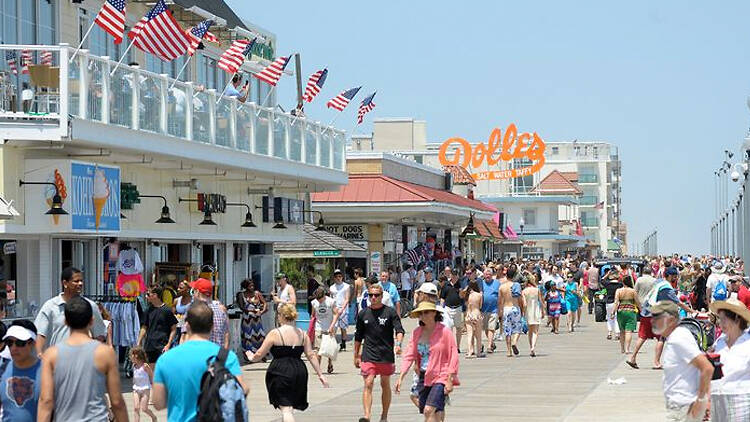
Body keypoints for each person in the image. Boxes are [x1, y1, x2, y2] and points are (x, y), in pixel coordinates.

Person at [153, 301, 248, 422]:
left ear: (187, 326)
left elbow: (158, 403)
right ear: (212, 326)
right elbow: (242, 389)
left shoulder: (166, 359)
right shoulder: (226, 357)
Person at [38, 297, 127, 422]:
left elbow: (46, 400)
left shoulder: (51, 355)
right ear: (92, 321)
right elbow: (117, 401)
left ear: (66, 322)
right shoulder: (105, 353)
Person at [246, 303, 328, 422]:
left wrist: (251, 357)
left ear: (282, 316)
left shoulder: (275, 333)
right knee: (289, 408)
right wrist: (321, 374)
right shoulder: (302, 334)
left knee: (286, 409)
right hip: (299, 371)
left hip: (280, 370)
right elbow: (310, 355)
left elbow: (259, 354)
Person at [396, 301, 459, 422]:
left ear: (434, 313)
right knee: (435, 413)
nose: (423, 315)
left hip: (441, 376)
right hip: (423, 376)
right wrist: (401, 377)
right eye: (421, 313)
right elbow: (409, 355)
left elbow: (453, 356)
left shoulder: (444, 331)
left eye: (427, 312)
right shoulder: (417, 332)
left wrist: (450, 379)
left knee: (428, 410)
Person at [650, 301, 713, 422]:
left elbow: (706, 367)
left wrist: (701, 401)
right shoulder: (674, 337)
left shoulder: (679, 338)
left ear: (671, 320)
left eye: (657, 317)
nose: (652, 321)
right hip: (679, 405)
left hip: (685, 406)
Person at [354, 284, 405, 422]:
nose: (373, 297)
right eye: (371, 295)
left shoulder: (390, 312)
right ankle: (367, 416)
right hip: (368, 353)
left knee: (384, 383)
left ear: (382, 296)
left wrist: (399, 344)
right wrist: (356, 355)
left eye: (376, 295)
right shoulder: (363, 313)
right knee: (368, 383)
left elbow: (399, 330)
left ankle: (384, 416)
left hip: (385, 354)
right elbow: (358, 336)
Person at [35, 267, 106, 354]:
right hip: (57, 360)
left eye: (81, 281)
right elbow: (40, 333)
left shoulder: (90, 306)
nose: (80, 284)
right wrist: (39, 354)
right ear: (65, 283)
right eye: (76, 281)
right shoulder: (51, 306)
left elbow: (99, 334)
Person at [708, 298, 750, 420]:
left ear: (737, 318)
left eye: (723, 319)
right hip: (718, 397)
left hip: (741, 399)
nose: (720, 324)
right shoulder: (719, 343)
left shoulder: (747, 343)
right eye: (719, 319)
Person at [0, 320, 41, 422]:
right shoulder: (2, 370)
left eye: (19, 343)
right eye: (9, 343)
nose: (13, 348)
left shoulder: (47, 371)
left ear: (31, 343)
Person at [137, 285, 178, 365]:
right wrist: (139, 342)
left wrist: (168, 344)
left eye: (148, 294)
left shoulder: (167, 311)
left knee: (161, 370)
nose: (146, 296)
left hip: (162, 346)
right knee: (150, 371)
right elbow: (144, 327)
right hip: (149, 346)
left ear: (155, 295)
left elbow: (173, 328)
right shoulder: (148, 310)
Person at [189, 278, 230, 348]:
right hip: (217, 355)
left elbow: (185, 337)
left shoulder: (193, 310)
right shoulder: (221, 310)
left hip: (199, 355)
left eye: (193, 291)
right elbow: (226, 334)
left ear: (197, 292)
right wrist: (223, 356)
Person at [311, 287, 340, 374]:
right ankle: (318, 368)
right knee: (317, 349)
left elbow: (336, 314)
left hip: (329, 328)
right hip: (318, 328)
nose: (319, 301)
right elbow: (313, 315)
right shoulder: (314, 303)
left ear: (324, 296)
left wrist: (332, 326)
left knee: (329, 348)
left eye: (320, 299)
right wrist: (311, 326)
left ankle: (330, 363)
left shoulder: (331, 301)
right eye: (318, 299)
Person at [236, 278, 267, 359]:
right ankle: (248, 356)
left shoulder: (257, 293)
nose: (252, 287)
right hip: (247, 319)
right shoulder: (241, 295)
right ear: (246, 286)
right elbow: (242, 307)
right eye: (250, 286)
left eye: (253, 285)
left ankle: (261, 355)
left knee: (260, 336)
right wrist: (252, 310)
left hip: (257, 319)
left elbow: (264, 303)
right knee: (247, 337)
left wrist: (262, 311)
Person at [499, 265, 525, 357]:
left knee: (507, 330)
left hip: (506, 308)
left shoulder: (502, 287)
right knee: (517, 329)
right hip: (515, 307)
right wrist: (522, 309)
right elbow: (520, 299)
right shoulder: (516, 286)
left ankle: (509, 351)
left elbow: (500, 301)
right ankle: (514, 342)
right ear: (514, 276)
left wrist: (500, 312)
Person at [129, 346, 157, 422]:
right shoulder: (134, 366)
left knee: (144, 408)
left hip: (145, 389)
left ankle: (154, 417)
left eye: (133, 355)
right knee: (136, 408)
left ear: (138, 356)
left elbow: (151, 376)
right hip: (136, 389)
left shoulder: (145, 366)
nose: (131, 357)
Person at [439, 270, 465, 351]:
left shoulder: (461, 284)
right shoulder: (446, 285)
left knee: (459, 328)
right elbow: (442, 298)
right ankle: (450, 346)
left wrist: (461, 290)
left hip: (458, 308)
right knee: (449, 328)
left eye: (455, 275)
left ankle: (458, 347)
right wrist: (440, 308)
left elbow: (462, 297)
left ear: (457, 276)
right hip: (448, 308)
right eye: (452, 275)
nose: (453, 277)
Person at [611, 275, 638, 354]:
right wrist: (642, 310)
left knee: (622, 331)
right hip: (631, 311)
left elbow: (616, 302)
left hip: (621, 311)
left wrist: (613, 312)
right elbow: (637, 302)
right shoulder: (633, 291)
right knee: (628, 331)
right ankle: (627, 349)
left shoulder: (618, 291)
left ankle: (622, 348)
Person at [522, 275, 544, 357]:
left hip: (528, 311)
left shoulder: (524, 291)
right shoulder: (537, 290)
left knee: (530, 331)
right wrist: (543, 311)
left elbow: (524, 304)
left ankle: (531, 346)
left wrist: (523, 313)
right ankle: (533, 348)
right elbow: (541, 302)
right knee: (535, 331)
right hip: (536, 310)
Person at [329, 269, 351, 351]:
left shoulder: (346, 286)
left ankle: (343, 344)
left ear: (342, 277)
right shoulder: (332, 287)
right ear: (334, 278)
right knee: (333, 327)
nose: (338, 278)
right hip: (334, 309)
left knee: (343, 328)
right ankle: (332, 344)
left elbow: (347, 299)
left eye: (340, 276)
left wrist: (342, 308)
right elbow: (331, 299)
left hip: (343, 310)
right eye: (336, 277)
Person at [480, 269, 500, 354]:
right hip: (483, 309)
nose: (488, 276)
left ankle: (489, 347)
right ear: (484, 275)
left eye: (489, 274)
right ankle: (491, 343)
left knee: (491, 328)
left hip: (494, 309)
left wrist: (500, 308)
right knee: (486, 328)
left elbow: (500, 296)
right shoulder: (481, 283)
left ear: (492, 275)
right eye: (486, 274)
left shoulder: (497, 283)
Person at [464, 279, 484, 358]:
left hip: (469, 314)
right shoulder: (479, 295)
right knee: (478, 335)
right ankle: (478, 352)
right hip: (477, 314)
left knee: (469, 334)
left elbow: (466, 306)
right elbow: (480, 306)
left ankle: (469, 352)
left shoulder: (467, 295)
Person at [603, 272, 623, 340]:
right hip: (617, 302)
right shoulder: (620, 284)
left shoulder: (608, 284)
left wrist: (607, 274)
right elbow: (625, 279)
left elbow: (602, 280)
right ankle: (617, 333)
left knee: (609, 318)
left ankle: (609, 332)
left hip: (609, 302)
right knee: (617, 318)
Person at [172, 280, 191, 346]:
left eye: (181, 288)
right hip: (178, 328)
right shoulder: (176, 301)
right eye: (178, 287)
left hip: (189, 329)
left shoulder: (193, 301)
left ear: (187, 289)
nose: (178, 289)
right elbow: (172, 315)